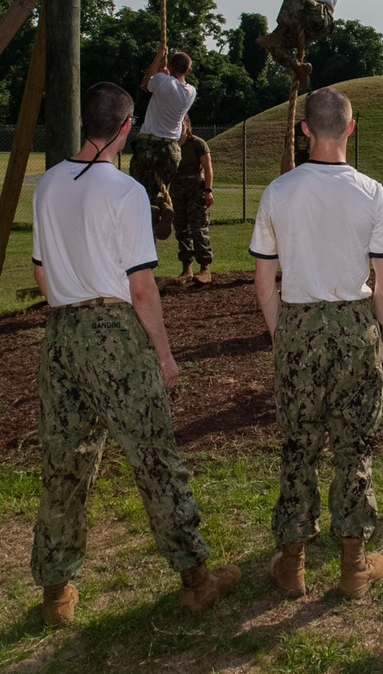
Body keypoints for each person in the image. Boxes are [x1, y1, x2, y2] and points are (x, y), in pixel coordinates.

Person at [30, 82, 240, 627]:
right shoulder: (124, 192)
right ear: (125, 128)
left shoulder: (47, 185)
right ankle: (196, 579)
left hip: (61, 333)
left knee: (65, 460)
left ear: (85, 126)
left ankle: (56, 591)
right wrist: (165, 356)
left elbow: (38, 270)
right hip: (114, 334)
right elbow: (142, 288)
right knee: (154, 457)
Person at [250, 87, 383, 600]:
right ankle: (354, 566)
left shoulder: (278, 191)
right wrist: (376, 336)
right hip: (355, 323)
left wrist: (283, 336)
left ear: (306, 129)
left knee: (298, 445)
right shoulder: (372, 192)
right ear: (351, 128)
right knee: (354, 445)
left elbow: (263, 282)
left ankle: (292, 565)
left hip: (296, 321)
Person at [130, 44, 197, 241]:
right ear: (189, 70)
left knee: (138, 187)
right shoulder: (191, 91)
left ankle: (152, 209)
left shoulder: (161, 81)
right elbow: (167, 86)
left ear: (171, 66)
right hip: (172, 150)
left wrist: (158, 58)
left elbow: (144, 85)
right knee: (160, 187)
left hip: (149, 145)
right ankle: (163, 206)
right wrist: (164, 74)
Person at [172, 116, 214, 284]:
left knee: (198, 228)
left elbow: (208, 169)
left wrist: (208, 190)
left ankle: (205, 268)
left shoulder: (197, 143)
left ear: (187, 125)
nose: (178, 127)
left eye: (181, 124)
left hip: (195, 188)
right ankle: (187, 269)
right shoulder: (171, 146)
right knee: (181, 228)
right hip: (177, 189)